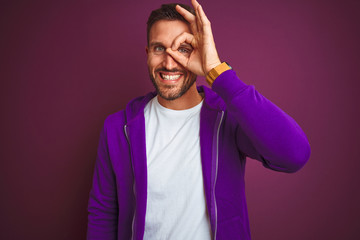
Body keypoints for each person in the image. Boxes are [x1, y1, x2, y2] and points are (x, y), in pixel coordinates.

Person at [87, 0, 311, 239]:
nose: (169, 62)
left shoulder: (227, 118)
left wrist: (216, 71)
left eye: (182, 49)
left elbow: (294, 155)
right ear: (147, 53)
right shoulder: (118, 128)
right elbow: (104, 212)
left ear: (199, 51)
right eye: (159, 49)